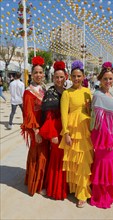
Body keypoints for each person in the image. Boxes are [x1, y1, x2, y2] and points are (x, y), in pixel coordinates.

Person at [90, 61, 113, 209]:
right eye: (105, 78)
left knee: (112, 164)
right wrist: (108, 140)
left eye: (110, 78)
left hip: (111, 137)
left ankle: (112, 193)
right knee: (104, 164)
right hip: (103, 140)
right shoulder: (98, 95)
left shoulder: (109, 93)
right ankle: (101, 195)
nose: (108, 81)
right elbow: (99, 123)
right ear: (100, 79)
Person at [59, 60, 93, 208]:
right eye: (74, 76)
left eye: (79, 76)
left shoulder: (87, 91)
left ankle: (83, 194)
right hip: (72, 132)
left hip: (85, 131)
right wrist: (66, 133)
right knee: (74, 163)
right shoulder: (67, 93)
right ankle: (75, 190)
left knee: (84, 162)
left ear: (83, 76)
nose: (76, 78)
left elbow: (89, 110)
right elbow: (64, 115)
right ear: (70, 77)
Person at [39, 61, 68, 200]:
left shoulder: (68, 92)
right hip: (55, 131)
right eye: (56, 77)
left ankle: (66, 186)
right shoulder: (50, 92)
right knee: (56, 158)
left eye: (61, 77)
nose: (59, 79)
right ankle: (54, 187)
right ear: (53, 77)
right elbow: (48, 118)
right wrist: (53, 135)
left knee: (66, 158)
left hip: (67, 130)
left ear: (66, 77)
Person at [21, 56, 49, 196]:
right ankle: (36, 185)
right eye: (36, 72)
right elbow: (29, 114)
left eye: (41, 72)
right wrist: (36, 130)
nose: (38, 75)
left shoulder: (42, 88)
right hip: (36, 128)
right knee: (38, 155)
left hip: (44, 127)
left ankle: (38, 180)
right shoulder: (28, 92)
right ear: (31, 73)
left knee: (42, 154)